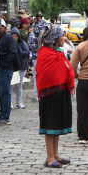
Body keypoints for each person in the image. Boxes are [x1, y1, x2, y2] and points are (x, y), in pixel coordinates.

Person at [36, 25, 74, 167]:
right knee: (50, 125)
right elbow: (45, 75)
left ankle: (56, 154)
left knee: (57, 125)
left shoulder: (58, 52)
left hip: (61, 92)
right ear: (54, 38)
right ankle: (50, 157)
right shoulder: (45, 54)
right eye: (61, 35)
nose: (64, 38)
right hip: (50, 94)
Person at [0, 19, 17, 125]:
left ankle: (5, 116)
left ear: (4, 27)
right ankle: (2, 114)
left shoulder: (9, 38)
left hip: (5, 69)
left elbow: (13, 53)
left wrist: (2, 64)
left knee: (4, 93)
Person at [10, 27, 30, 109]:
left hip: (21, 66)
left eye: (16, 36)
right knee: (10, 86)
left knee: (19, 85)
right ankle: (10, 103)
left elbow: (27, 52)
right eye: (13, 36)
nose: (15, 38)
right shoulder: (8, 43)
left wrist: (18, 53)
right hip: (12, 67)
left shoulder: (23, 43)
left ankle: (19, 102)